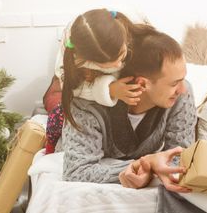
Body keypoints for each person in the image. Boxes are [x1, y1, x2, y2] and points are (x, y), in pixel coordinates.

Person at [62, 29, 197, 192]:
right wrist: (146, 164)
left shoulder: (182, 94)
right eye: (174, 84)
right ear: (142, 84)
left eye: (182, 79)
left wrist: (148, 167)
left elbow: (181, 158)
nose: (182, 90)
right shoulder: (86, 104)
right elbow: (76, 171)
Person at [44, 8, 154, 153]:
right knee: (58, 114)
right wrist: (109, 89)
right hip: (88, 86)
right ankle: (49, 145)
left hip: (124, 88)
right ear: (89, 60)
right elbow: (71, 88)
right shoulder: (74, 61)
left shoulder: (131, 30)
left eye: (121, 57)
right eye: (109, 63)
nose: (118, 65)